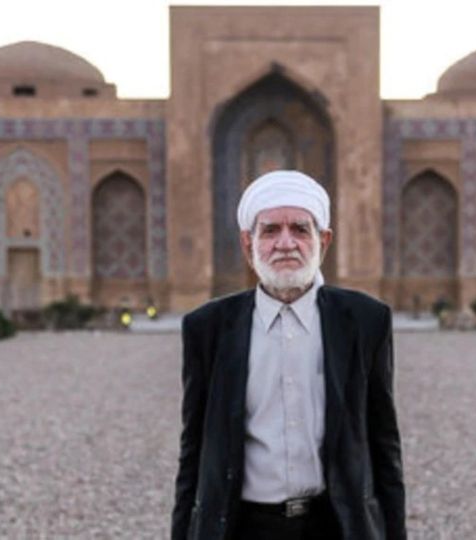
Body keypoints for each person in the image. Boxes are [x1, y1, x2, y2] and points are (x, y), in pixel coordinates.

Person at [171, 170, 406, 540]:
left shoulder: (364, 321)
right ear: (248, 244)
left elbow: (383, 443)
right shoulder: (209, 327)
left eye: (299, 229)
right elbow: (194, 449)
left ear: (323, 241)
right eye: (270, 231)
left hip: (334, 525)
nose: (285, 243)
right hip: (243, 526)